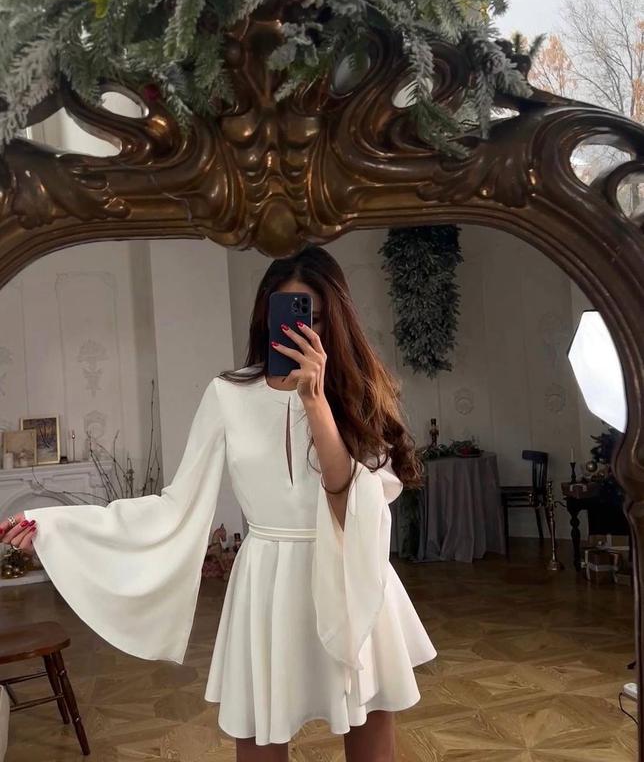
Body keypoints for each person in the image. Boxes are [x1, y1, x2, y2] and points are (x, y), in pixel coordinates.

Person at [0, 245, 436, 762]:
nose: (302, 329)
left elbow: (351, 506)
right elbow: (174, 506)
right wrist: (55, 527)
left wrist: (315, 402)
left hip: (350, 575)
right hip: (266, 586)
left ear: (335, 320)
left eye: (315, 317)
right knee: (258, 741)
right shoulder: (228, 394)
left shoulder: (357, 393)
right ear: (265, 316)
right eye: (287, 314)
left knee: (370, 740)